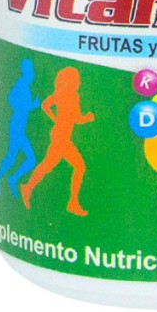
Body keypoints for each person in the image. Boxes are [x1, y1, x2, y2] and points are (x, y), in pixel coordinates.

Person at [21, 66, 95, 216]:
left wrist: (55, 119)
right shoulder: (72, 96)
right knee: (79, 166)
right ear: (71, 81)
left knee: (48, 165)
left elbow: (45, 105)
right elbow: (76, 118)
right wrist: (87, 118)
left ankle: (28, 188)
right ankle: (72, 202)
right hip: (61, 137)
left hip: (60, 135)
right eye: (77, 80)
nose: (79, 83)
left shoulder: (63, 94)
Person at [0, 59, 40, 198]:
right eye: (31, 72)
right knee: (27, 159)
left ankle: (6, 178)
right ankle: (3, 178)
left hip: (19, 127)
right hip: (17, 127)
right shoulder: (22, 84)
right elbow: (11, 99)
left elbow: (17, 102)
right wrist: (32, 106)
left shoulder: (25, 85)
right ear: (27, 72)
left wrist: (28, 106)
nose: (33, 75)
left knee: (14, 157)